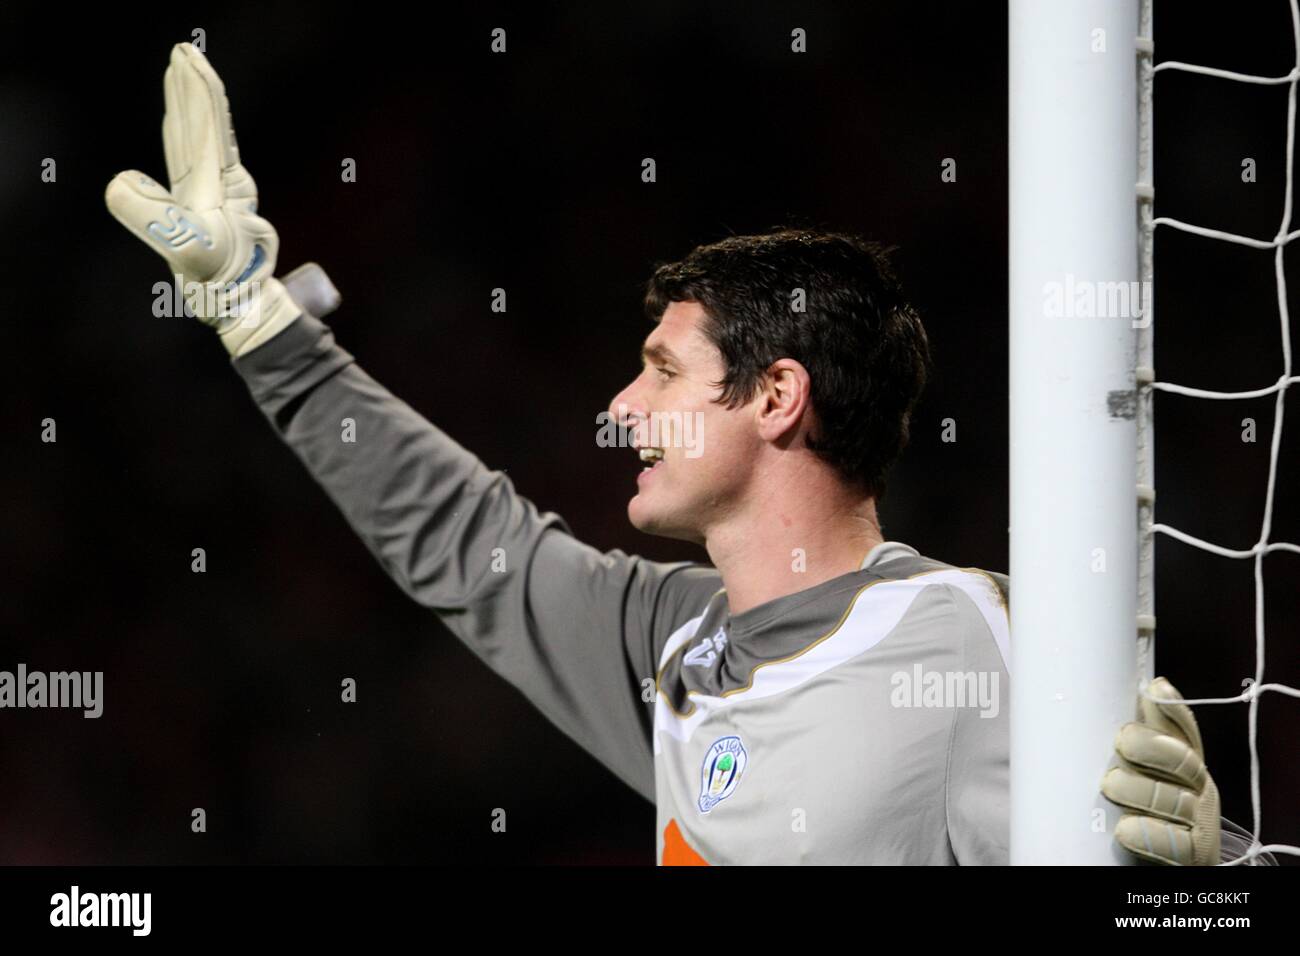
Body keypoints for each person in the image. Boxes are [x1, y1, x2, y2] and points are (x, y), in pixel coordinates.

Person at [104, 42, 1266, 866]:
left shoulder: (966, 643)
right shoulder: (673, 639)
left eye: (660, 368)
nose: (618, 401)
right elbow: (464, 539)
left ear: (775, 395)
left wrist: (1215, 880)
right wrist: (256, 320)